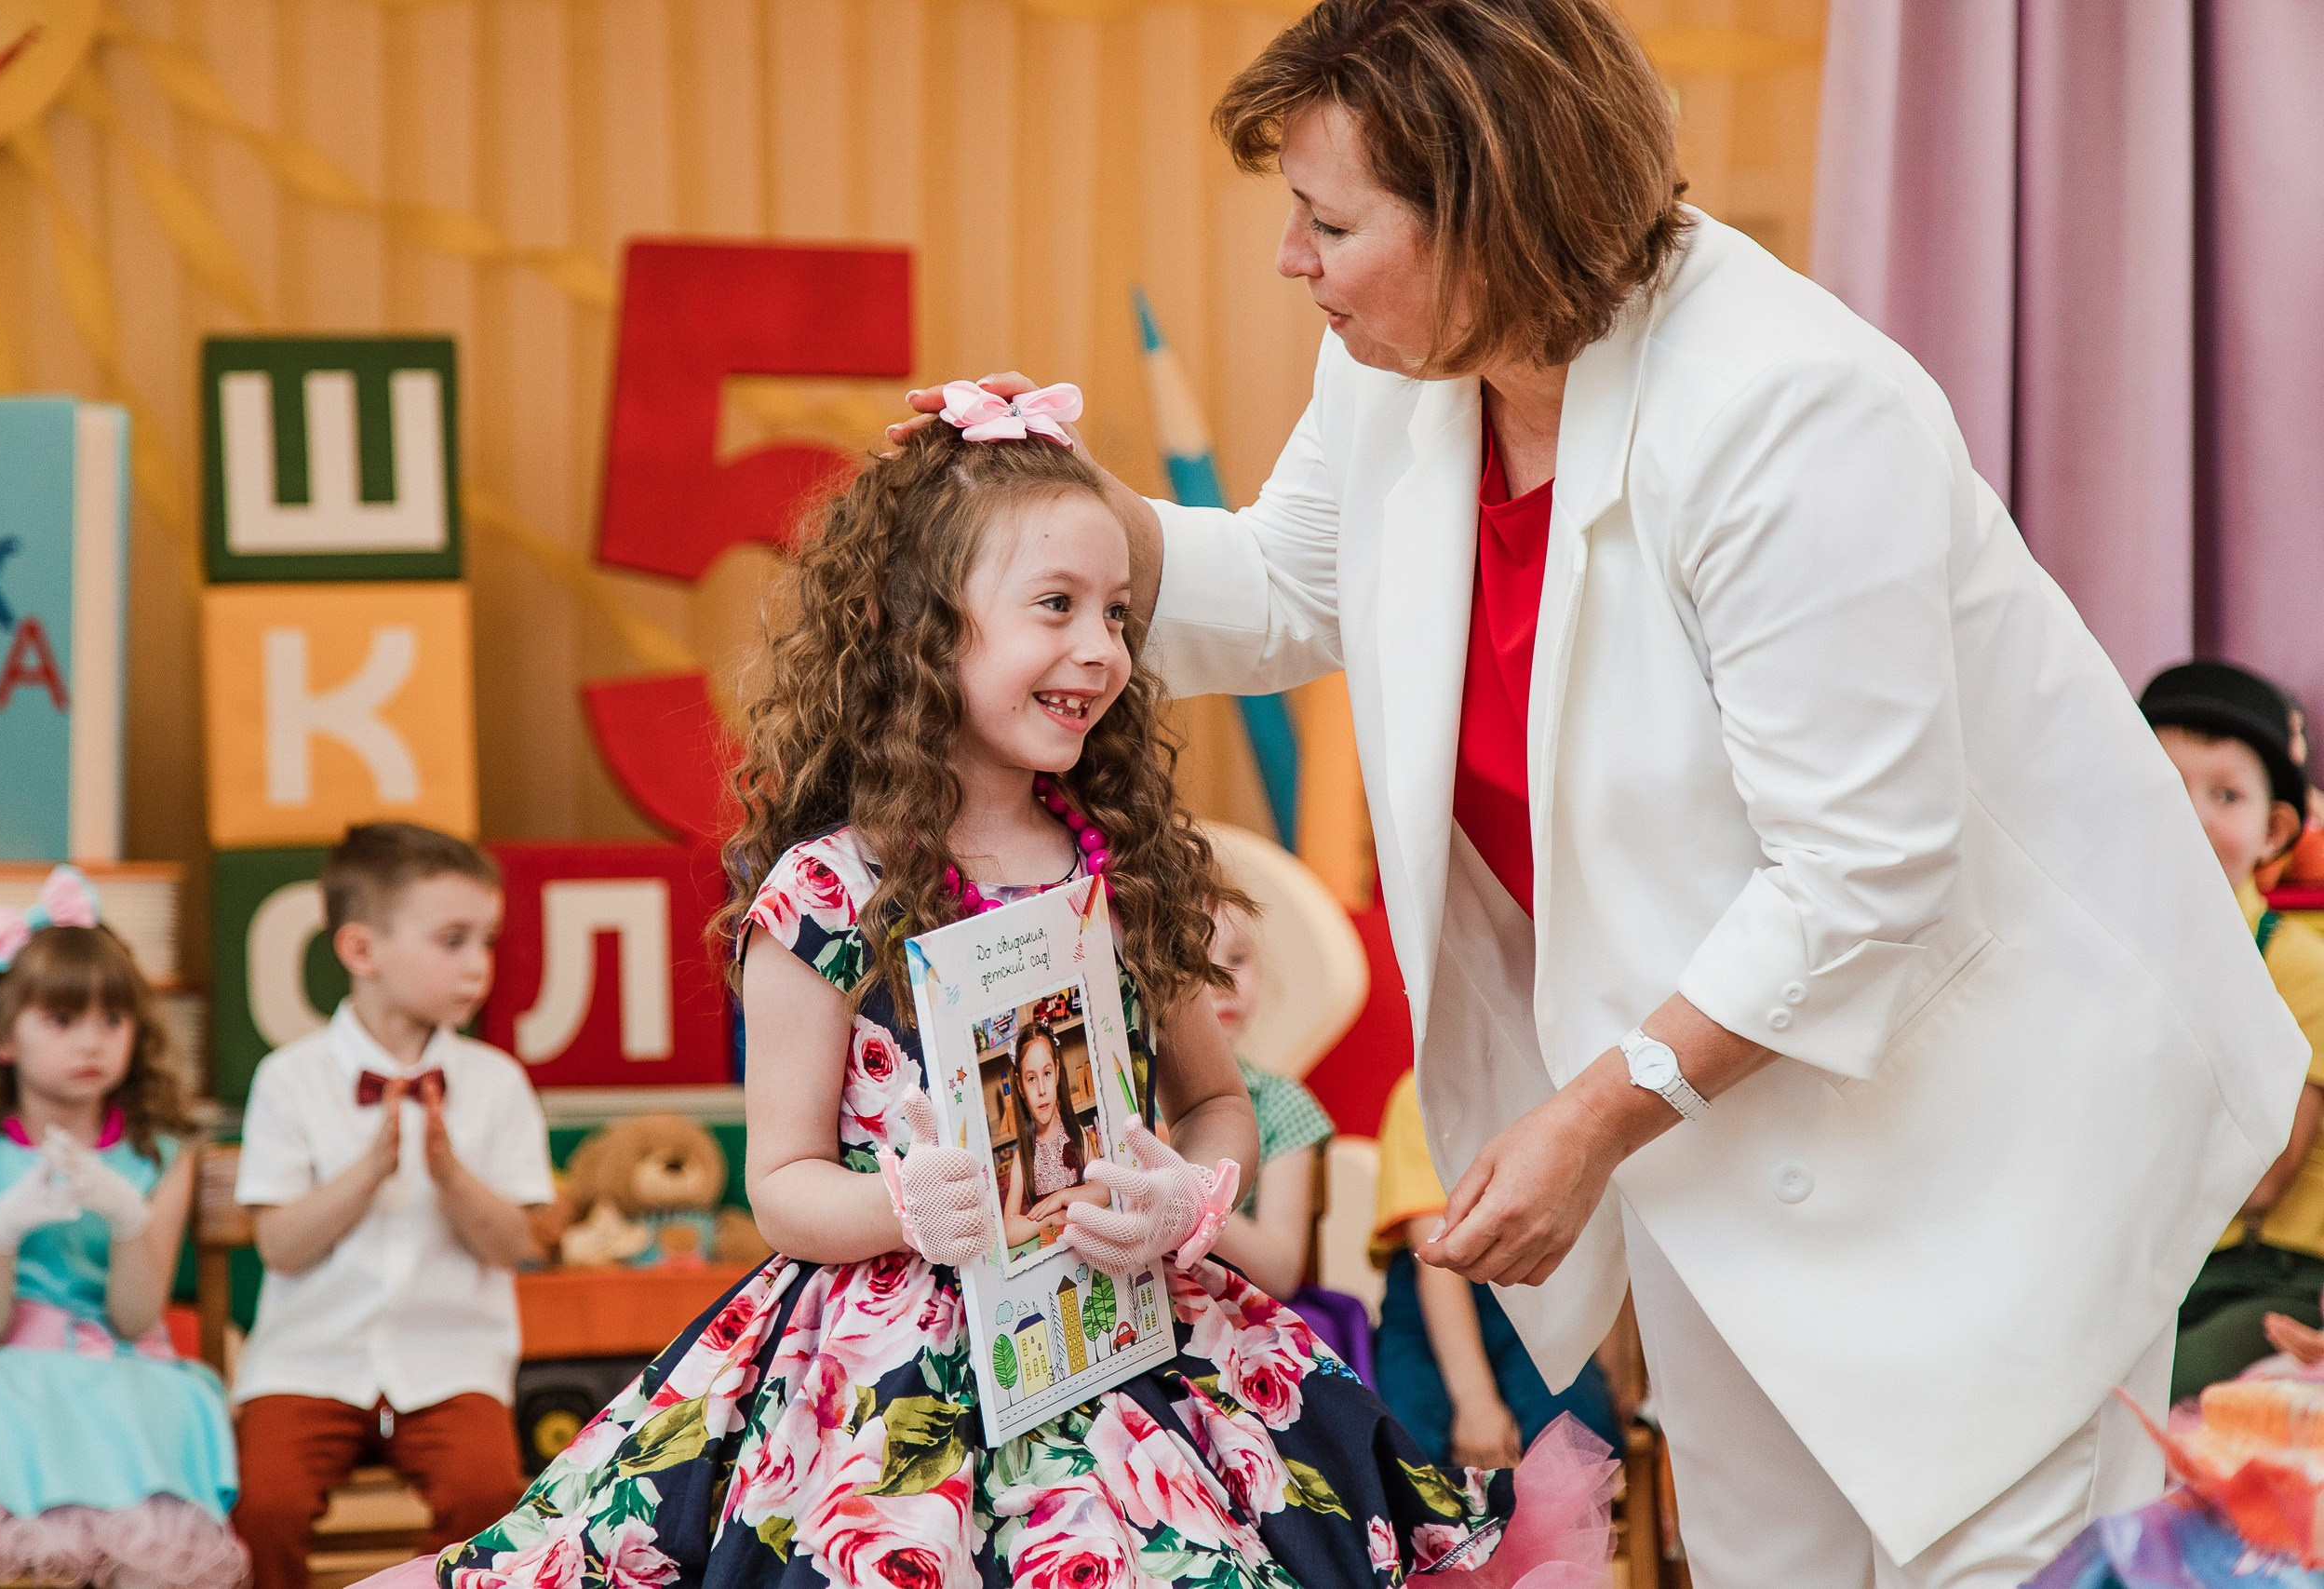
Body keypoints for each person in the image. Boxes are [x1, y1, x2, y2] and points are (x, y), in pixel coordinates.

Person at [893, 3, 2306, 1582]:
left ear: (1491, 216)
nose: (1294, 259)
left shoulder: (1787, 408)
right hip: (1728, 1132)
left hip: (1988, 1129)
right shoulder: (1409, 368)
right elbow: (1297, 580)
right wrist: (1051, 512)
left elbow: (1863, 874)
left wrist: (1591, 1117)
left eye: (1331, 220)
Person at [403, 395, 1614, 1589]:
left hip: (1125, 1332)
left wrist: (1189, 1192)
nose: (1100, 648)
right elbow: (781, 1186)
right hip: (890, 1370)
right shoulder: (823, 893)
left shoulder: (1128, 866)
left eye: (1118, 613)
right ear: (914, 626)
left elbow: (1220, 1104)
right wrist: (899, 1205)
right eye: (1055, 605)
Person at [229, 823, 556, 1589]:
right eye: (452, 939)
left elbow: (518, 1244)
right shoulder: (290, 1077)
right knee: (262, 1507)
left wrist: (449, 1173)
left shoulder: (497, 1081)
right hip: (307, 1360)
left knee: (487, 1499)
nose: (478, 964)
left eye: (487, 940)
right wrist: (367, 1170)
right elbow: (278, 1245)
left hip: (451, 1363)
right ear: (361, 951)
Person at [0, 867, 245, 1589]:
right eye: (62, 1019)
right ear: (1, 1038)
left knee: (158, 1559)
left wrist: (127, 1217)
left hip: (120, 1369)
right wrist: (1, 1232)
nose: (92, 1042)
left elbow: (136, 1315)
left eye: (114, 1020)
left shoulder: (159, 1155)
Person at [2143, 663, 2324, 1401]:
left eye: (2225, 795)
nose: (2189, 815)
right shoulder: (2105, 953)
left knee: (2145, 1400)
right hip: (2150, 1266)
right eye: (2161, 786)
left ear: (2273, 828)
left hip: (2266, 1272)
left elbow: (2263, 1176)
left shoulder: (2298, 963)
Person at [1371, 1070, 1619, 1470]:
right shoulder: (1422, 1091)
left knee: (1576, 1429)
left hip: (1539, 1295)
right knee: (1410, 1438)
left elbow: (1605, 1244)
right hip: (1434, 1307)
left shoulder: (1570, 1084)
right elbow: (1438, 1263)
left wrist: (1613, 1370)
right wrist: (1475, 1403)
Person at [1204, 903, 1337, 1303]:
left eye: (1237, 958)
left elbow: (1282, 1273)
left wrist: (1189, 1196)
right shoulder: (1125, 1098)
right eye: (1192, 960)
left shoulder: (1281, 1105)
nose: (1223, 981)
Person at [999, 1020, 1106, 1255]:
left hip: (1089, 1246)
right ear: (1019, 1085)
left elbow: (1103, 1191)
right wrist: (1049, 1218)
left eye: (1047, 1073)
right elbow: (1008, 1230)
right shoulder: (1024, 1155)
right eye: (1031, 1079)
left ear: (1057, 1072)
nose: (1041, 1090)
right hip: (1055, 1254)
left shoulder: (1076, 1133)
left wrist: (1062, 1198)